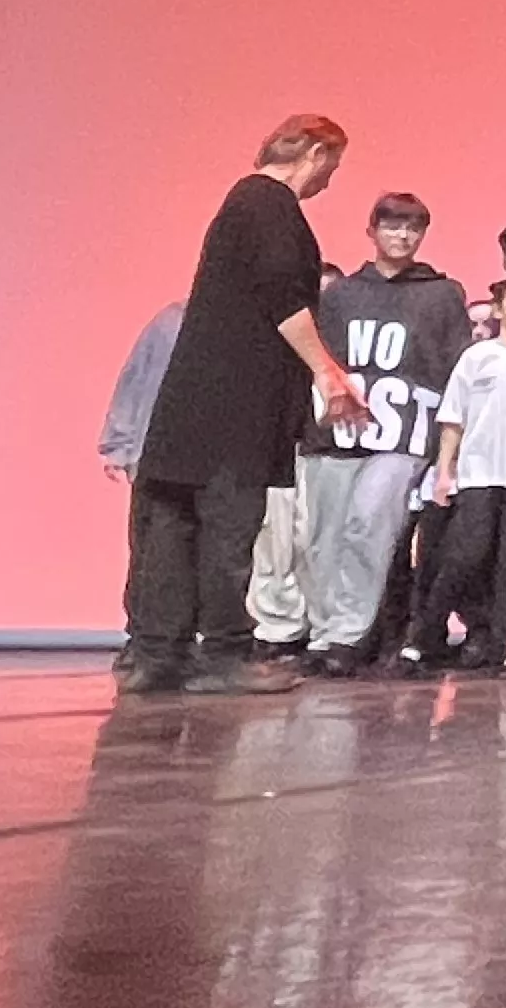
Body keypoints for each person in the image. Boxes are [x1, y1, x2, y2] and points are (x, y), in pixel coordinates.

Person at [120, 117, 373, 693]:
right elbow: (284, 299)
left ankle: (159, 654)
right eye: (332, 166)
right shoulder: (270, 205)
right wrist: (328, 372)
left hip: (191, 404)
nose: (330, 180)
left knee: (173, 528)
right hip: (235, 405)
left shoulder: (241, 204)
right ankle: (224, 655)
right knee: (227, 527)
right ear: (315, 152)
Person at [293, 192, 468, 675]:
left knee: (368, 526)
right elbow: (320, 360)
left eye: (412, 228)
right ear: (371, 232)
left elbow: (454, 369)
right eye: (392, 226)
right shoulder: (341, 295)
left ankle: (347, 636)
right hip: (336, 434)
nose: (402, 236)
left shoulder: (441, 295)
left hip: (404, 434)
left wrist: (446, 448)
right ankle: (325, 633)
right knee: (323, 537)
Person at [416, 272, 506, 669]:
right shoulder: (477, 357)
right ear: (499, 309)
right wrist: (445, 472)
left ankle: (503, 645)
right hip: (477, 474)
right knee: (465, 556)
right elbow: (453, 419)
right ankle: (426, 635)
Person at [100, 302, 187, 485]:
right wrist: (118, 447)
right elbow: (135, 380)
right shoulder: (172, 320)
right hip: (158, 461)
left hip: (218, 470)